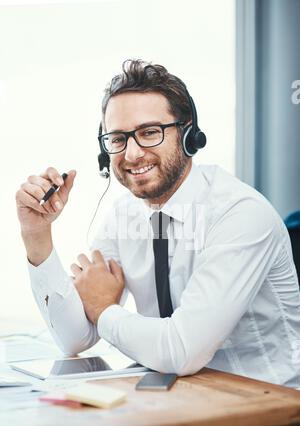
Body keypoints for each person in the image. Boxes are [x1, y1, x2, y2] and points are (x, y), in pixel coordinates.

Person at [16, 59, 300, 388]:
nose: (133, 153)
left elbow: (181, 351)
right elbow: (74, 338)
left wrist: (104, 308)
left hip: (266, 407)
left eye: (149, 132)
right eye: (118, 139)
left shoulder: (239, 214)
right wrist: (36, 235)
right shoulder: (125, 215)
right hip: (177, 399)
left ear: (188, 134)